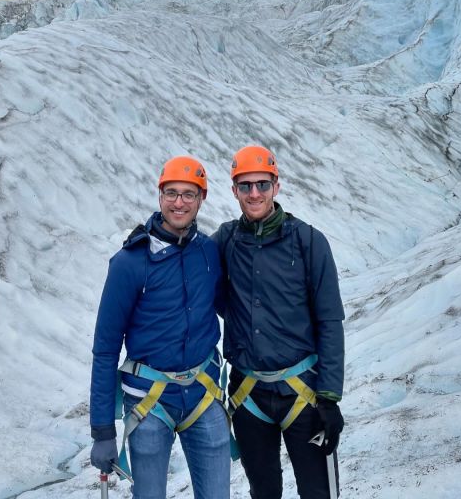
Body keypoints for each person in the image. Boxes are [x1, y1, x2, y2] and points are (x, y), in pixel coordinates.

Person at [90, 156, 230, 499]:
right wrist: (102, 429)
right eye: (171, 193)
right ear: (160, 196)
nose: (179, 202)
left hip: (203, 394)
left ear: (202, 199)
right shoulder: (129, 263)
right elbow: (106, 348)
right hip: (150, 402)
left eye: (188, 194)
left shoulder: (209, 252)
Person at [213, 145, 345, 499]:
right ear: (234, 191)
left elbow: (330, 320)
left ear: (276, 186)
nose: (254, 193)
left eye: (262, 184)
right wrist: (150, 241)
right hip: (249, 394)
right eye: (245, 186)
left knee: (318, 493)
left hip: (303, 394)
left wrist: (330, 398)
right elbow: (189, 273)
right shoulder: (225, 241)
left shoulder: (308, 241)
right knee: (264, 491)